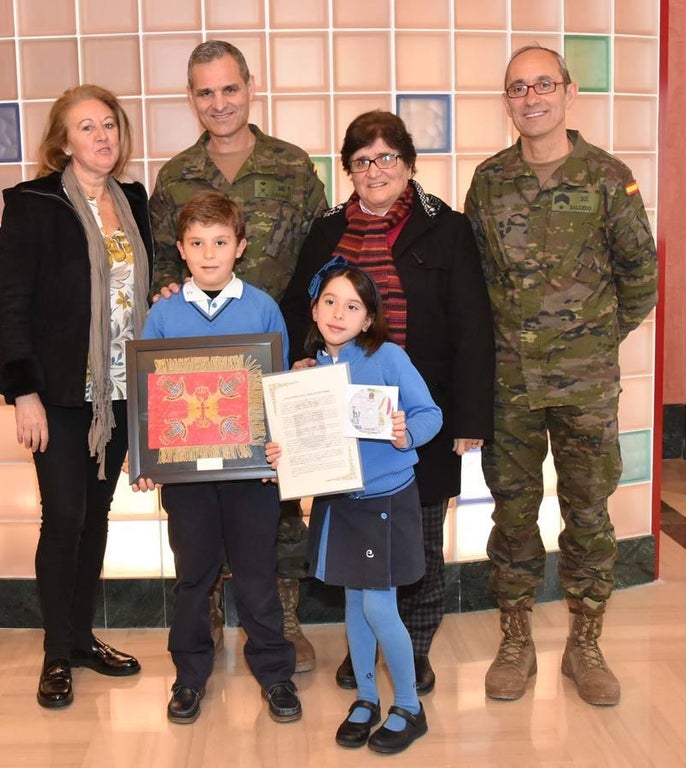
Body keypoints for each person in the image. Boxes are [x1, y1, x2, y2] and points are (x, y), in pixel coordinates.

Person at [464, 45, 658, 706]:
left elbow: (641, 280)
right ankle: (515, 638)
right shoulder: (489, 182)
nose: (531, 97)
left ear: (567, 92)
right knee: (513, 515)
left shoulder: (608, 178)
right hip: (509, 387)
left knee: (589, 515)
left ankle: (586, 642)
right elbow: (476, 283)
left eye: (543, 84)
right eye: (518, 88)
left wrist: (594, 342)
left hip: (584, 388)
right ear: (508, 100)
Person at [281, 110, 494, 696]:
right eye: (361, 160)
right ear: (347, 168)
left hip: (418, 412)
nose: (375, 171)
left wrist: (471, 418)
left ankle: (415, 650)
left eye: (387, 158)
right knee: (353, 540)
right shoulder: (325, 232)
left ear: (409, 165)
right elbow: (302, 311)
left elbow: (473, 324)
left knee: (418, 542)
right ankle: (362, 648)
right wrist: (301, 370)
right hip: (341, 419)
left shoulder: (446, 228)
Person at [149, 38, 328, 670]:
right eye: (205, 92)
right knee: (200, 508)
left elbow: (320, 261)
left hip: (270, 358)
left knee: (275, 503)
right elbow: (159, 270)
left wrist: (313, 350)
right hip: (197, 371)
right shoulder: (174, 177)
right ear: (191, 98)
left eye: (229, 88)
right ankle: (209, 620)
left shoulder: (293, 166)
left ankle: (279, 620)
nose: (219, 103)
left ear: (250, 87)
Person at [0, 84, 151, 709]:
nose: (101, 137)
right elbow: (10, 304)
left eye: (108, 124)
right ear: (62, 140)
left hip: (118, 393)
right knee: (63, 517)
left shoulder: (133, 199)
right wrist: (22, 391)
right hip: (58, 394)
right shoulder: (33, 203)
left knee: (97, 517)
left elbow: (141, 282)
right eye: (86, 127)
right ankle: (57, 652)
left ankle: (81, 637)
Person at [131, 192, 300, 725]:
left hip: (252, 476)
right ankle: (189, 677)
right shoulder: (162, 314)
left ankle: (275, 674)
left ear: (240, 247)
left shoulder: (263, 307)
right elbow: (148, 396)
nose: (209, 254)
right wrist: (144, 459)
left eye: (221, 243)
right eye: (198, 243)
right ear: (181, 249)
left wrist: (280, 449)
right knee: (193, 578)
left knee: (257, 575)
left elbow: (278, 385)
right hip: (187, 480)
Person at [268, 260, 442, 754]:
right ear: (314, 309)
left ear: (368, 318)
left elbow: (430, 413)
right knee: (353, 604)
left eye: (352, 306)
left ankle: (408, 704)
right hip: (338, 502)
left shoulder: (387, 357)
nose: (338, 313)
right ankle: (366, 698)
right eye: (329, 302)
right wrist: (283, 452)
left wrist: (408, 433)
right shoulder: (309, 371)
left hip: (385, 501)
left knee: (378, 605)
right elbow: (298, 438)